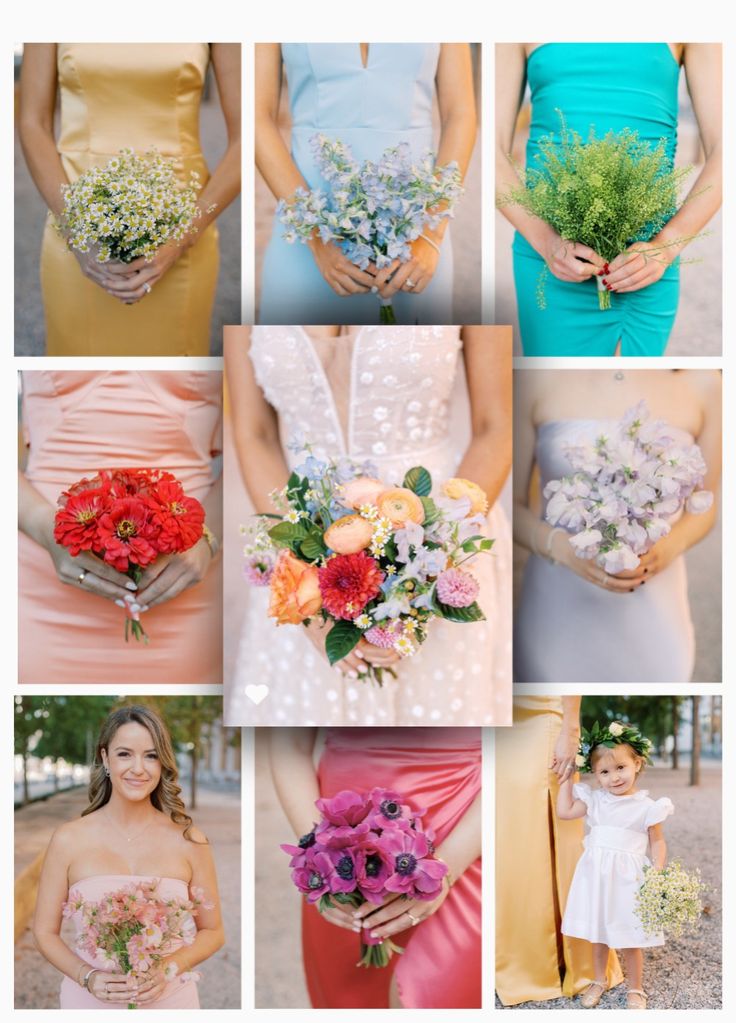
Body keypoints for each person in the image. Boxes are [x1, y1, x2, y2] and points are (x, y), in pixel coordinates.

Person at [224, 323, 512, 726]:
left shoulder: (472, 275)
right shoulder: (255, 282)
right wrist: (303, 587)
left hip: (441, 534)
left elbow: (495, 427)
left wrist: (429, 576)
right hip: (303, 542)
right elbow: (254, 433)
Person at [496, 42, 722, 355]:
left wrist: (665, 246)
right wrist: (547, 242)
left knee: (625, 395)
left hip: (641, 263)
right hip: (547, 253)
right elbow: (493, 153)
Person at [19, 43, 241, 355]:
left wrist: (181, 238)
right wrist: (76, 230)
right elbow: (33, 122)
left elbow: (247, 137)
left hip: (182, 225)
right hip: (75, 223)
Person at [513, 369, 721, 681]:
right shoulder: (535, 377)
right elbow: (509, 507)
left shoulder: (705, 384)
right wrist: (564, 550)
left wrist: (664, 550)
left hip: (655, 609)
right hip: (557, 605)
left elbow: (706, 504)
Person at [18, 371, 223, 683]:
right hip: (43, 586)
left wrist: (207, 535)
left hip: (188, 581)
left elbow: (256, 435)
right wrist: (41, 523)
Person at [256, 43, 477, 322]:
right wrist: (315, 236)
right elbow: (256, 118)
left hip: (416, 234)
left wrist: (430, 235)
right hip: (306, 221)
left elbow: (460, 114)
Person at [269, 726, 481, 1008]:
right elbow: (289, 745)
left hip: (461, 832)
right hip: (340, 839)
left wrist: (448, 867)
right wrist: (321, 857)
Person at [32, 705, 225, 1009]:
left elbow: (213, 931)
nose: (138, 768)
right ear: (105, 758)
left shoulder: (190, 840)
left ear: (162, 762)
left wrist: (169, 968)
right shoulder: (68, 839)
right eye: (125, 754)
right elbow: (44, 932)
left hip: (171, 1001)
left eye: (150, 755)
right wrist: (87, 976)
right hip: (89, 1003)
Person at [495, 697, 622, 1006]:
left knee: (555, 831)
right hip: (498, 711)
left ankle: (572, 960)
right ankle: (525, 956)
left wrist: (571, 727)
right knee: (514, 832)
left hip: (541, 712)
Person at [557, 721, 673, 1009]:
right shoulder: (595, 800)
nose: (614, 777)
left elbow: (657, 842)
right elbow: (564, 811)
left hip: (628, 878)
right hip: (596, 875)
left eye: (621, 768)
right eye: (604, 772)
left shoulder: (647, 807)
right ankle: (599, 980)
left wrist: (657, 871)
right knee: (599, 933)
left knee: (630, 935)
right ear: (595, 775)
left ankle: (636, 988)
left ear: (637, 763)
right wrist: (565, 780)